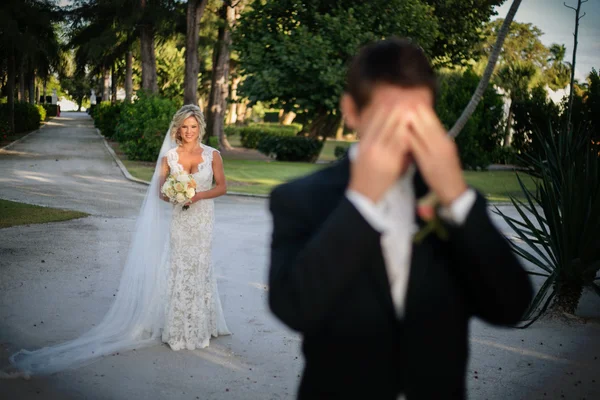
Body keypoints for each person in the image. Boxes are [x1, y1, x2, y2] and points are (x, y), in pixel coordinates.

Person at [267, 37, 533, 399]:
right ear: (352, 111)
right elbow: (294, 307)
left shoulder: (455, 202)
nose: (403, 136)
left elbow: (511, 306)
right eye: (388, 119)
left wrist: (456, 196)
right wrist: (361, 202)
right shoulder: (299, 199)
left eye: (418, 120)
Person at [3, 105, 229, 378]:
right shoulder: (169, 157)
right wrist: (177, 196)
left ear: (200, 127)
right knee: (179, 266)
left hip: (202, 220)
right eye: (184, 127)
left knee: (200, 266)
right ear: (178, 129)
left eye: (193, 126)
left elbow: (221, 187)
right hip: (180, 222)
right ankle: (179, 328)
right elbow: (160, 193)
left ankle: (202, 325)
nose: (189, 131)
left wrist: (196, 196)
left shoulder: (212, 154)